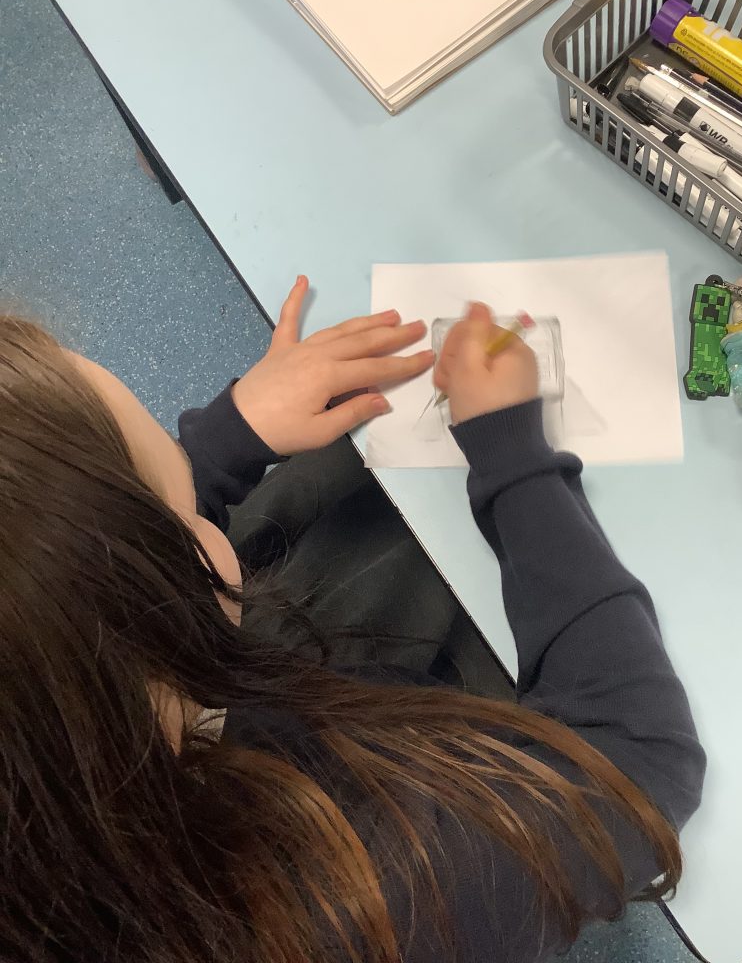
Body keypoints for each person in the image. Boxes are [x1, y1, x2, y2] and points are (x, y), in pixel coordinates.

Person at [0, 278, 705, 963]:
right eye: (182, 504)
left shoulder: (57, 785)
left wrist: (225, 440)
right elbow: (641, 757)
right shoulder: (377, 898)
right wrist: (511, 450)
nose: (195, 485)